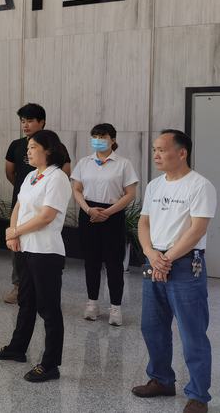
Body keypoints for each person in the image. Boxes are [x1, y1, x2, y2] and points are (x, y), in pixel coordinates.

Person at [131, 130, 216, 413]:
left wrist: (165, 259)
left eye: (162, 149)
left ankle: (198, 395)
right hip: (155, 260)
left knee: (192, 332)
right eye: (154, 149)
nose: (156, 155)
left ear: (182, 153)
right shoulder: (155, 186)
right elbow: (143, 223)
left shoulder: (200, 186)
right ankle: (161, 380)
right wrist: (150, 253)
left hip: (184, 266)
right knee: (152, 327)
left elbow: (197, 229)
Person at [0, 130, 72, 383]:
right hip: (25, 248)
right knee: (26, 302)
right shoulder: (31, 176)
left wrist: (16, 231)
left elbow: (46, 216)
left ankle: (50, 364)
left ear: (49, 150)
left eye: (33, 147)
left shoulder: (57, 177)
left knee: (48, 308)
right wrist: (12, 233)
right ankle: (17, 348)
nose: (28, 151)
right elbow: (18, 206)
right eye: (28, 147)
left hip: (45, 251)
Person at [3, 103, 71, 304]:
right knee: (20, 259)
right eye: (22, 121)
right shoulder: (18, 150)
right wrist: (14, 231)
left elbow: (65, 173)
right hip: (24, 207)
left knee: (46, 302)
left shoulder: (56, 167)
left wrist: (15, 231)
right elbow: (10, 173)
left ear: (42, 122)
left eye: (30, 121)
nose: (25, 125)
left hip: (44, 239)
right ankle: (18, 286)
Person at [71, 123, 138, 326]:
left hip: (113, 214)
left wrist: (107, 213)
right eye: (95, 136)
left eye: (103, 136)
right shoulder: (84, 162)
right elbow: (77, 189)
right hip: (89, 213)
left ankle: (115, 307)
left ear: (113, 140)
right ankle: (92, 303)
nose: (98, 140)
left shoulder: (123, 164)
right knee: (91, 261)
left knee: (114, 262)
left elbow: (130, 194)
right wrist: (88, 209)